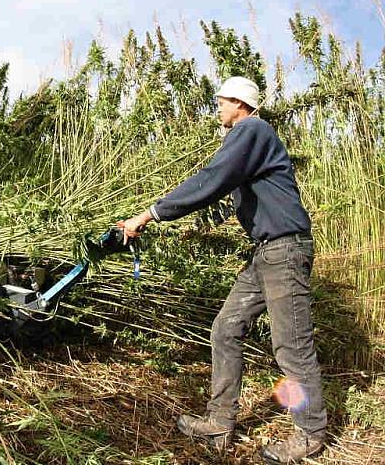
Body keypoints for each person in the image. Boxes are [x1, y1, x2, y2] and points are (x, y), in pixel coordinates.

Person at [121, 76, 326, 464]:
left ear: (240, 104)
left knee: (291, 348)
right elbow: (223, 193)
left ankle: (310, 433)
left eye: (222, 102)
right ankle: (220, 420)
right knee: (226, 328)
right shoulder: (249, 141)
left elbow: (211, 180)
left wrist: (151, 214)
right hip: (265, 253)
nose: (217, 108)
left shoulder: (252, 130)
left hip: (285, 251)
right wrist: (190, 228)